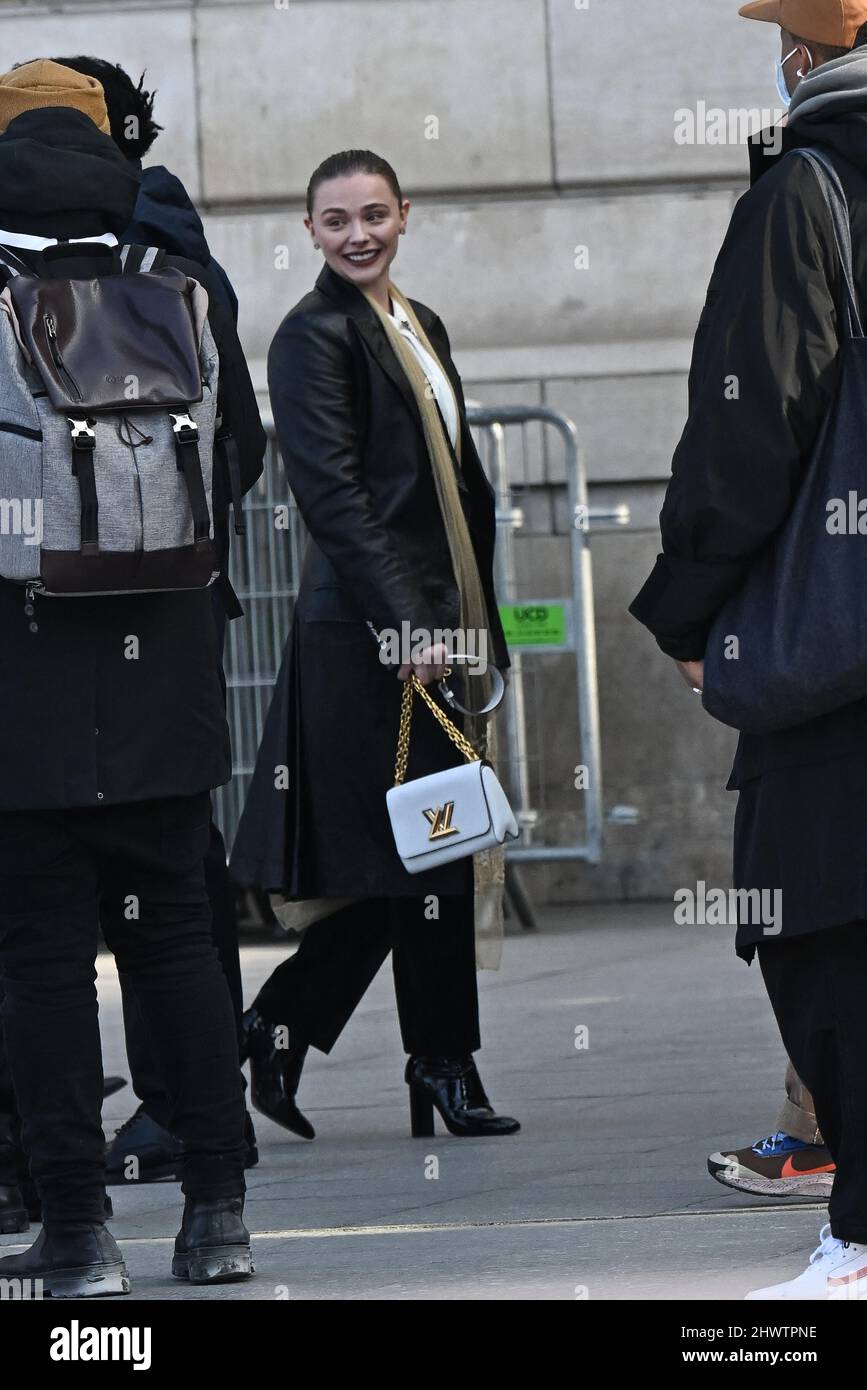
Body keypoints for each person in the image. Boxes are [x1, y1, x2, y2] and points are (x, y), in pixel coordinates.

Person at [0, 61, 265, 1296]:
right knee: (176, 952)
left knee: (44, 963)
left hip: (20, 681)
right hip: (162, 671)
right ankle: (217, 1212)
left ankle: (75, 1236)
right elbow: (243, 456)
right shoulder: (172, 276)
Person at [630, 0, 867, 1299]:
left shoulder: (803, 193)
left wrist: (685, 607)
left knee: (816, 922)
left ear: (796, 55)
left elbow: (744, 420)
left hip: (832, 653)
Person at [230, 149, 520, 1141]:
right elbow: (337, 499)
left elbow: (454, 483)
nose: (359, 234)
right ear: (309, 231)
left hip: (436, 622)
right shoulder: (312, 337)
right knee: (427, 850)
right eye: (337, 219)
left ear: (406, 215)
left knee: (418, 851)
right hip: (369, 633)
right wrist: (405, 622)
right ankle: (439, 1064)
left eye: (374, 214)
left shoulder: (417, 323)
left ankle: (282, 1025)